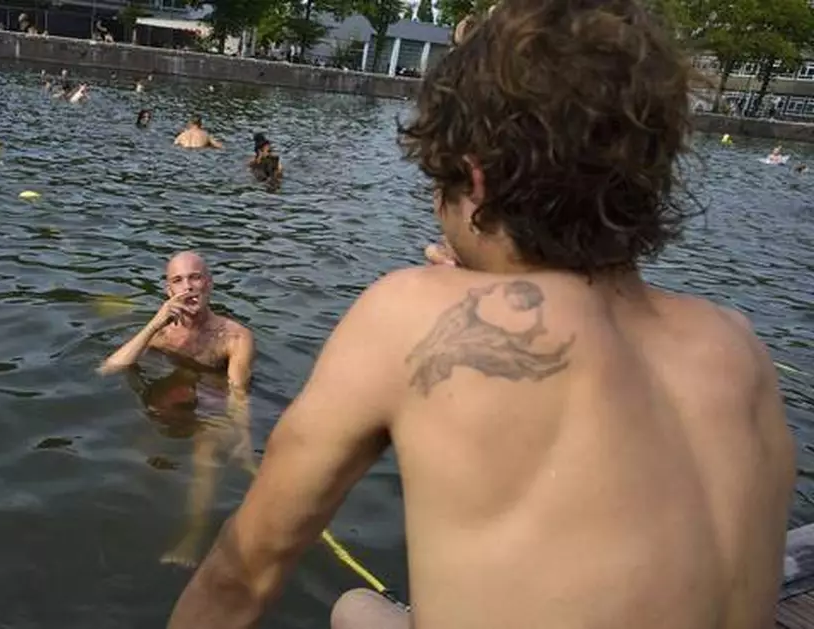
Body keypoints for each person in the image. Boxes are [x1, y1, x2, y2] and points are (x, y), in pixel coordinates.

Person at [166, 2, 795, 629]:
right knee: (363, 611)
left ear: (474, 177)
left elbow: (239, 578)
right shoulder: (737, 349)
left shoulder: (409, 313)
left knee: (352, 611)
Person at [100, 251, 254, 566]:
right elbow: (109, 369)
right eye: (178, 280)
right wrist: (154, 322)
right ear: (168, 290)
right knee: (146, 441)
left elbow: (238, 391)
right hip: (176, 389)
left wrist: (242, 434)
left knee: (206, 450)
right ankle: (131, 514)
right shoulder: (163, 332)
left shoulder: (234, 337)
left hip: (214, 393)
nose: (188, 287)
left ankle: (192, 537)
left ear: (209, 283)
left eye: (195, 277)